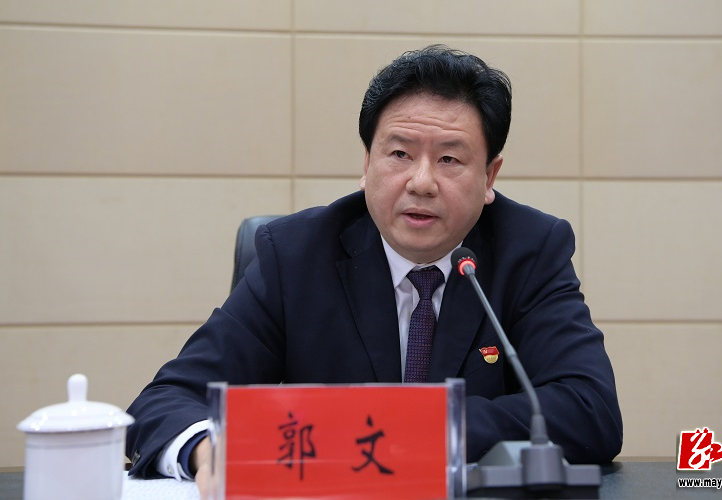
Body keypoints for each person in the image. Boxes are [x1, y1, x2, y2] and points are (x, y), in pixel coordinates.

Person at [126, 45, 623, 493]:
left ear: (489, 176)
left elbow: (589, 410)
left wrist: (410, 428)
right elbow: (167, 400)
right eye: (400, 154)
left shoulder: (529, 250)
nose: (421, 182)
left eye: (450, 159)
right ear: (367, 164)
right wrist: (209, 449)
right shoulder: (295, 255)